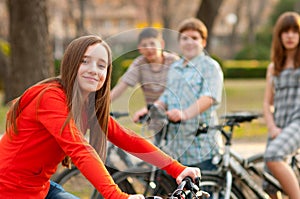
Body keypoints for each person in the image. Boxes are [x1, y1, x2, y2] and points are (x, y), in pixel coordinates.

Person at [0, 35, 201, 199]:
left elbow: (127, 138)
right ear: (70, 64)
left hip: (39, 188)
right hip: (9, 189)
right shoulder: (50, 97)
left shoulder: (87, 106)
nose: (94, 70)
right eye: (85, 61)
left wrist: (177, 169)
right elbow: (80, 149)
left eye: (101, 65)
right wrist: (117, 196)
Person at [135, 18, 224, 170]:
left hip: (201, 145)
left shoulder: (210, 66)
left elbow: (209, 97)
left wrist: (185, 114)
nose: (189, 42)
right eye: (185, 38)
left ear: (203, 42)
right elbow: (167, 96)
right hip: (176, 147)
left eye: (194, 38)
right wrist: (152, 108)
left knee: (204, 192)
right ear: (179, 42)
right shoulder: (175, 67)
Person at [111, 27, 179, 143]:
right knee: (159, 155)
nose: (149, 48)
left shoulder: (173, 61)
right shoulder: (139, 64)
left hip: (176, 115)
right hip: (156, 118)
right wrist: (99, 104)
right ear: (140, 49)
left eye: (152, 43)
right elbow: (122, 86)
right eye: (144, 45)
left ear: (161, 44)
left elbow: (180, 89)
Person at [263, 11, 300, 199]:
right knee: (269, 184)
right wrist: (272, 127)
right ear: (279, 35)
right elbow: (267, 102)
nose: (290, 36)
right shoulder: (273, 67)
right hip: (278, 124)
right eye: (286, 31)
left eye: (295, 31)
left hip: (298, 122)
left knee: (273, 155)